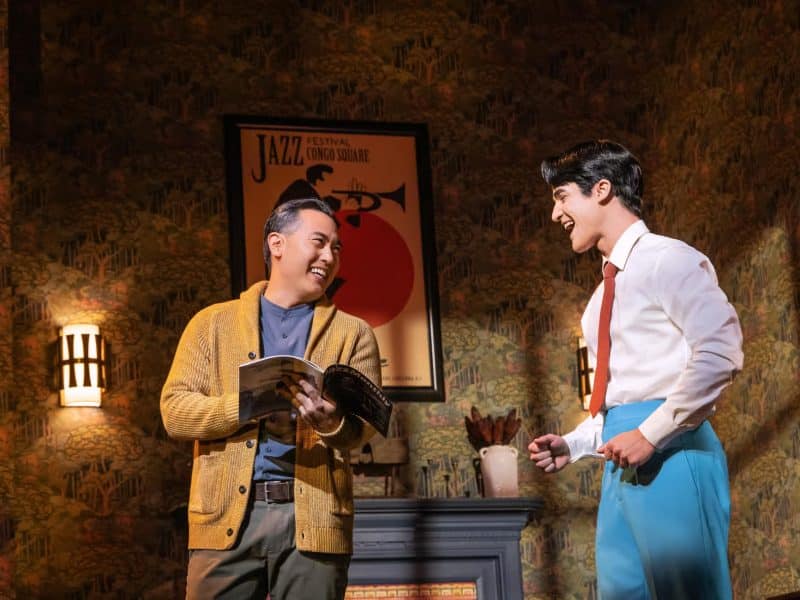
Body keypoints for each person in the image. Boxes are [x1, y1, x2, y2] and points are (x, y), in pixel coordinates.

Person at [527, 140, 743, 599]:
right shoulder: (596, 302)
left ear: (601, 189)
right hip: (621, 462)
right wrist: (575, 443)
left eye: (562, 196)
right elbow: (616, 397)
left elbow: (720, 351)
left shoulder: (669, 258)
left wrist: (651, 434)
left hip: (675, 450)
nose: (555, 215)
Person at [161, 197, 380, 600]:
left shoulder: (355, 333)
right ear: (277, 244)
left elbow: (363, 428)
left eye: (336, 248)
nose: (329, 256)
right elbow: (175, 413)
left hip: (315, 522)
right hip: (224, 520)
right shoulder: (211, 323)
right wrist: (248, 404)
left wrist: (328, 421)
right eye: (318, 242)